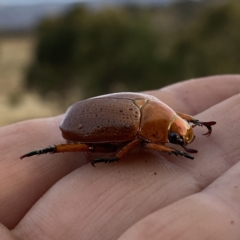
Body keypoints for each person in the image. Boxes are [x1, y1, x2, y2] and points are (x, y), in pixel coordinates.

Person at [0, 75, 239, 240]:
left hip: (88, 111)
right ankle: (50, 150)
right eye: (175, 135)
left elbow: (172, 119)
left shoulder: (158, 109)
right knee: (92, 148)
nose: (177, 138)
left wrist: (192, 123)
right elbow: (149, 144)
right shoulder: (141, 132)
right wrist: (173, 150)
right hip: (80, 124)